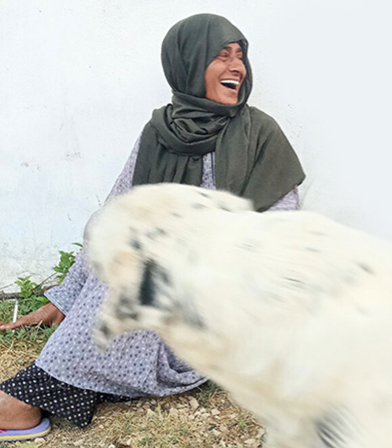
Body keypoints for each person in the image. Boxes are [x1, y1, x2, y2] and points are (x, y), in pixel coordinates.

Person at [0, 13, 304, 441]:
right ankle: (55, 387)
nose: (237, 67)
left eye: (241, 57)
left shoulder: (259, 134)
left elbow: (282, 230)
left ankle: (25, 399)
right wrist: (65, 299)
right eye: (221, 56)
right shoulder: (158, 132)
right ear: (186, 63)